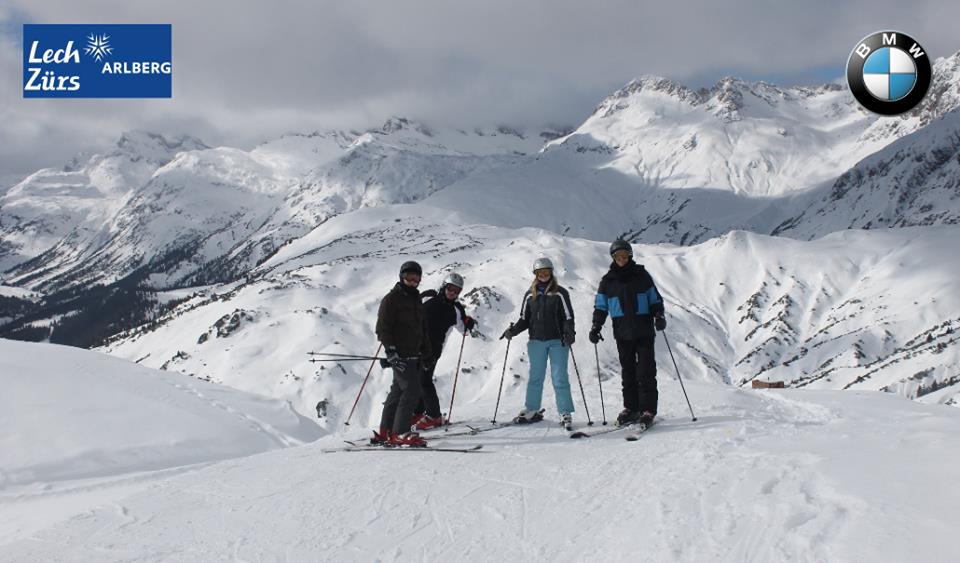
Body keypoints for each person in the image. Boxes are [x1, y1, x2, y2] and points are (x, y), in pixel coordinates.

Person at [588, 239, 666, 426]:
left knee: (646, 371)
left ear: (630, 256)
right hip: (622, 333)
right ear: (613, 258)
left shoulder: (642, 276)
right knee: (628, 372)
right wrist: (595, 327)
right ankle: (631, 408)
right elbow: (601, 307)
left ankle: (647, 409)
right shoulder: (607, 282)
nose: (621, 259)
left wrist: (658, 315)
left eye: (624, 255)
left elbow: (654, 299)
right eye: (617, 256)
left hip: (644, 331)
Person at [500, 257, 576, 428]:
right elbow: (524, 319)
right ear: (535, 274)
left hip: (558, 341)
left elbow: (568, 317)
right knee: (535, 377)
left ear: (551, 273)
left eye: (546, 272)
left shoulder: (560, 293)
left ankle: (565, 412)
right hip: (536, 341)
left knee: (559, 378)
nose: (543, 275)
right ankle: (532, 409)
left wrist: (569, 333)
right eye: (540, 272)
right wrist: (513, 331)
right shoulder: (529, 294)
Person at [372, 261, 432, 447]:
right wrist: (391, 352)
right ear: (401, 277)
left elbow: (421, 329)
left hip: (413, 354)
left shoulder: (415, 299)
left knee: (397, 392)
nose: (413, 282)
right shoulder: (391, 299)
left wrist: (427, 353)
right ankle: (400, 432)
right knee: (412, 390)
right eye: (409, 278)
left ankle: (385, 431)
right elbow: (382, 328)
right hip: (400, 355)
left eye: (416, 279)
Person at [411, 272, 477, 430]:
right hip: (415, 345)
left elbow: (464, 331)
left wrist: (469, 323)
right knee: (415, 380)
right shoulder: (428, 298)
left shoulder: (456, 309)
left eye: (456, 291)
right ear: (444, 286)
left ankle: (434, 416)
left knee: (424, 381)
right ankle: (418, 413)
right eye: (450, 288)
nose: (452, 293)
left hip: (433, 350)